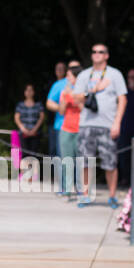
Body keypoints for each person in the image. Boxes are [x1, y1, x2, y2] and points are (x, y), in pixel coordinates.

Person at [71, 43, 127, 208]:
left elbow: (122, 100)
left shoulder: (115, 74)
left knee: (110, 162)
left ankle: (112, 196)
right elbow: (76, 98)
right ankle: (85, 195)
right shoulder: (84, 75)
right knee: (85, 161)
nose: (96, 54)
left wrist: (117, 122)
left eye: (100, 52)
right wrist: (94, 90)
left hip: (107, 125)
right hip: (87, 124)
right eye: (94, 51)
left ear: (106, 55)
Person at [56, 61, 83, 197]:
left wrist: (75, 97)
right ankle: (66, 189)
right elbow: (61, 111)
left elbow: (85, 109)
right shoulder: (65, 91)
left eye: (69, 75)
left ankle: (80, 189)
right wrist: (65, 99)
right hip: (66, 129)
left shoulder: (84, 91)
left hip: (80, 130)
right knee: (66, 160)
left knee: (80, 161)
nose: (67, 78)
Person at [13, 83, 45, 163]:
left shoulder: (39, 105)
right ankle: (25, 174)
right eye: (27, 90)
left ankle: (34, 174)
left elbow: (41, 117)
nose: (29, 92)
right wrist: (23, 129)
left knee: (34, 155)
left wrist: (34, 129)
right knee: (24, 154)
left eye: (31, 90)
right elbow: (16, 118)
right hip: (23, 133)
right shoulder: (20, 105)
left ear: (34, 92)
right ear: (24, 92)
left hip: (35, 133)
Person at [44, 60, 67, 159]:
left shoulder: (71, 84)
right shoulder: (52, 84)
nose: (59, 70)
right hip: (53, 122)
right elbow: (47, 103)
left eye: (62, 69)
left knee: (63, 153)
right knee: (53, 150)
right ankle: (55, 174)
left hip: (65, 123)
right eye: (58, 68)